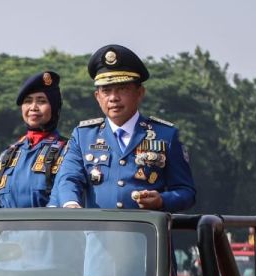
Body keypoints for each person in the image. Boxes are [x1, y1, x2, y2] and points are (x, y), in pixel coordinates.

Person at [50, 44, 196, 212]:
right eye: (106, 91)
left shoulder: (165, 135)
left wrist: (162, 200)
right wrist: (71, 204)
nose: (113, 98)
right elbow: (68, 178)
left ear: (140, 93)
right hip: (97, 234)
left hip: (145, 235)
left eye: (122, 89)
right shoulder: (83, 136)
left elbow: (186, 192)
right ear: (97, 97)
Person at [0, 71, 69, 209]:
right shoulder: (9, 154)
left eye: (41, 101)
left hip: (47, 228)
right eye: (28, 101)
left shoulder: (68, 151)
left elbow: (63, 196)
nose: (33, 107)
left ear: (54, 107)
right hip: (6, 229)